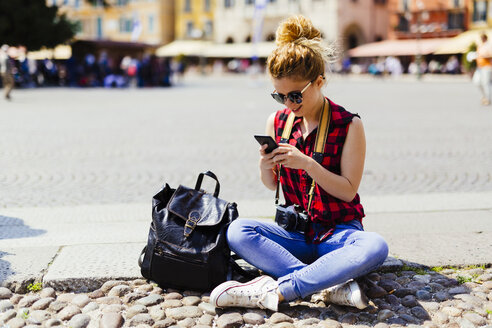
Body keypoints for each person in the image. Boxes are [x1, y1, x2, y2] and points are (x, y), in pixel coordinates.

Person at [210, 15, 388, 312]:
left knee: (375, 246)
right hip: (294, 232)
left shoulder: (349, 125)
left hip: (338, 232)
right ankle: (329, 283)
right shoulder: (277, 121)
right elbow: (272, 185)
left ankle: (283, 289)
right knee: (238, 230)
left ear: (319, 81)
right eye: (280, 96)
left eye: (295, 95)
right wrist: (265, 165)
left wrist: (307, 164)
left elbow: (347, 191)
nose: (289, 104)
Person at [476, 33, 492, 106]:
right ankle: (484, 96)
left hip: (487, 66)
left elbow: (490, 55)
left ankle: (487, 99)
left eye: (482, 37)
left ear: (485, 38)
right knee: (477, 81)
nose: (481, 39)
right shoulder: (480, 46)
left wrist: (485, 56)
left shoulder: (488, 45)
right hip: (479, 67)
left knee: (486, 83)